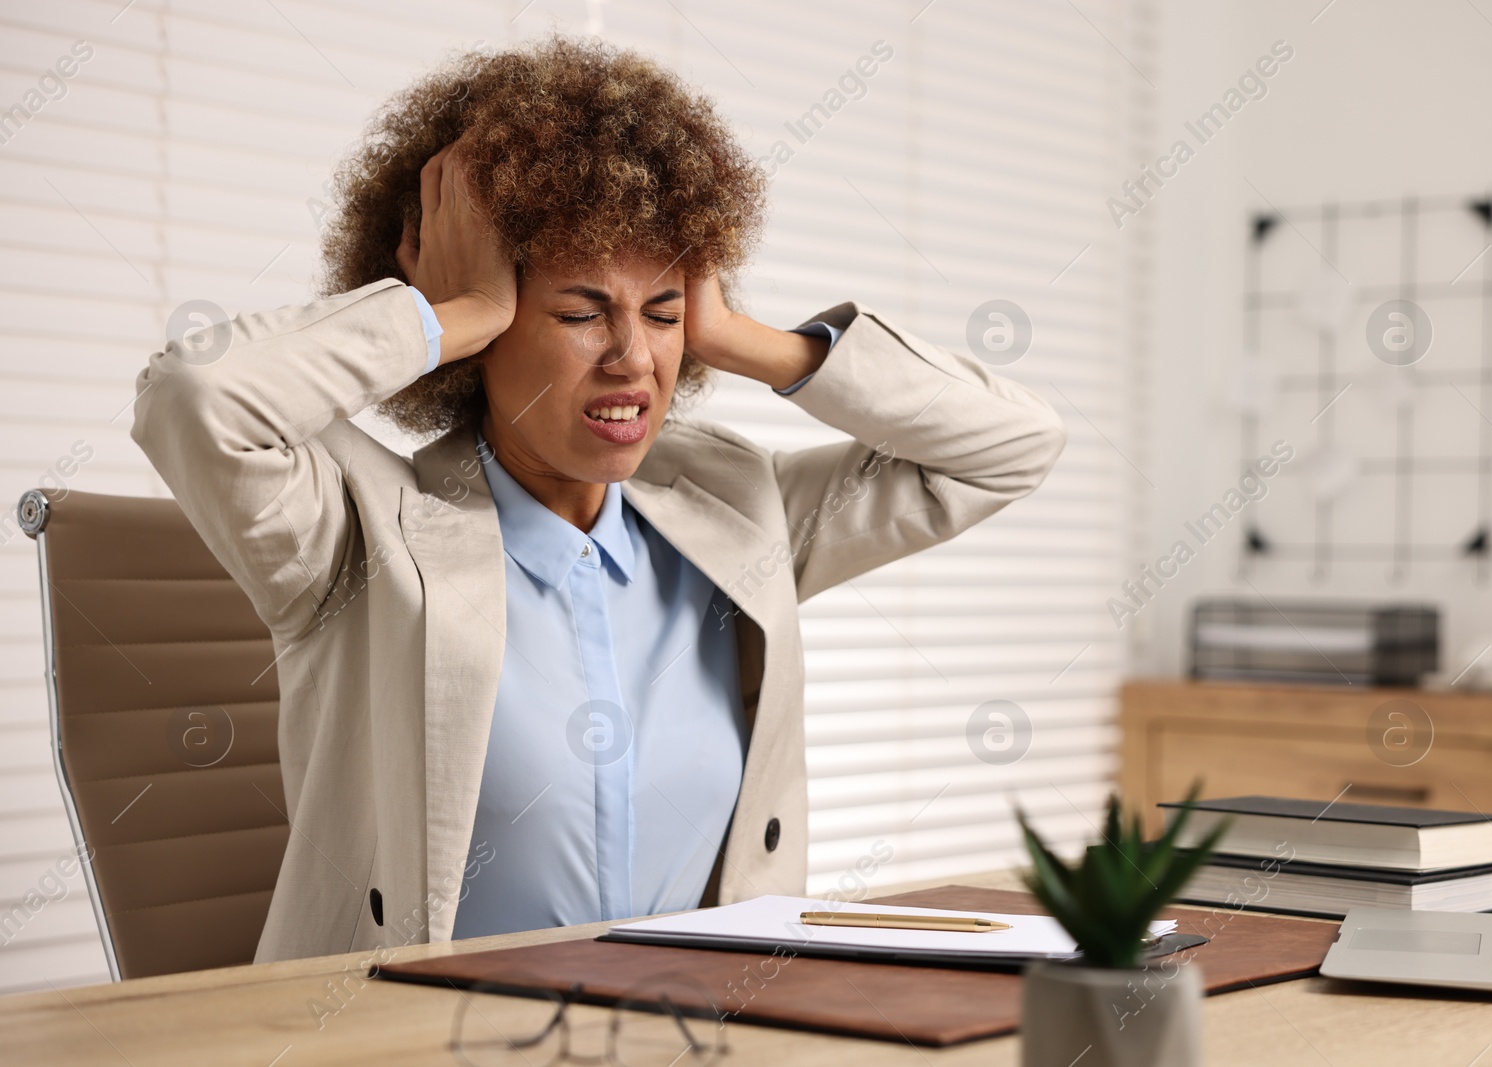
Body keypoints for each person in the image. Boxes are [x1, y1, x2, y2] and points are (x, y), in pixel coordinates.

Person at [133, 37, 1066, 964]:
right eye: (581, 313)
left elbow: (1012, 446)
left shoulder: (740, 516)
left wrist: (744, 339)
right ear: (482, 334)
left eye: (663, 314)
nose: (635, 358)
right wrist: (446, 316)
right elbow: (194, 398)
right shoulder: (351, 535)